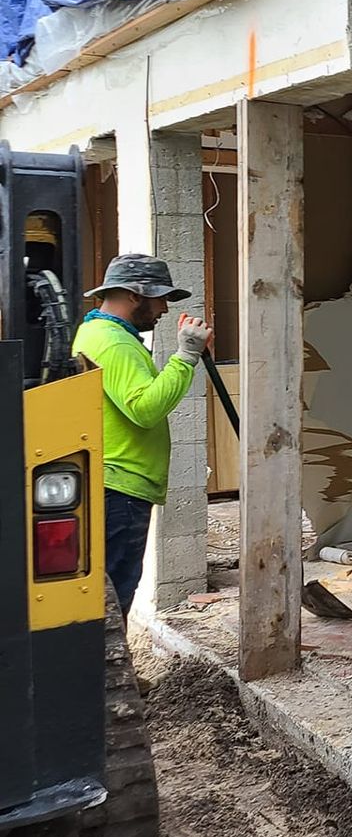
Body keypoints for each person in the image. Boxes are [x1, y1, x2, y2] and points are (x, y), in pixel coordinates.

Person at [71, 254, 210, 613]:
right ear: (135, 294)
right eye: (160, 297)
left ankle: (103, 667)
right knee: (116, 594)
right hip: (121, 488)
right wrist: (186, 355)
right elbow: (145, 409)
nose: (164, 308)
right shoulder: (115, 343)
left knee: (109, 593)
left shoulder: (95, 332)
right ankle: (107, 669)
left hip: (113, 482)